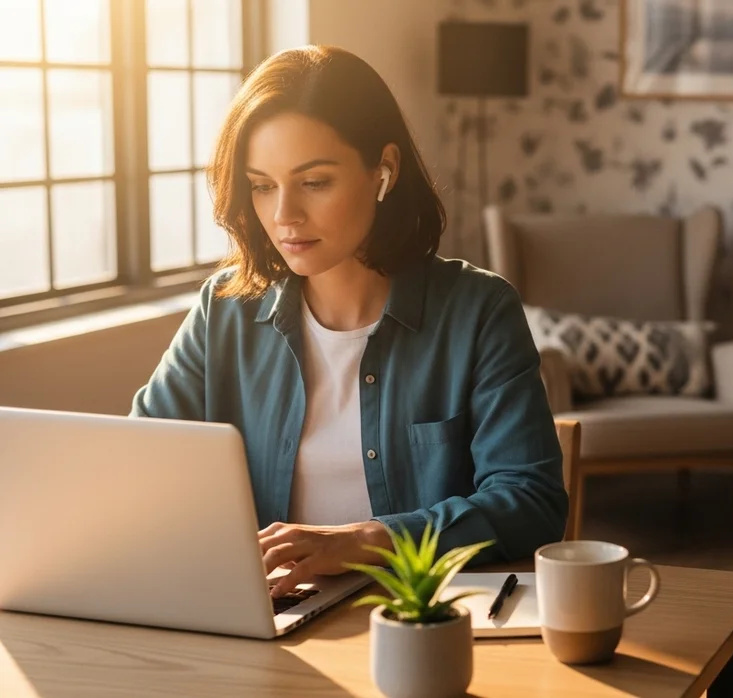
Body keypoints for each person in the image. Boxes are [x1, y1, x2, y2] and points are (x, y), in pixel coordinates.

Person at [130, 45, 568, 598]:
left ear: (384, 171)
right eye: (262, 185)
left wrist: (366, 541)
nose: (284, 215)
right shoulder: (224, 310)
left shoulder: (478, 311)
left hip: (417, 621)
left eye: (314, 182)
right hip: (270, 619)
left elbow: (531, 502)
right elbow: (138, 463)